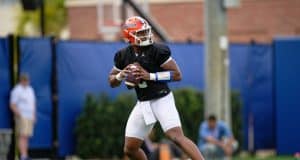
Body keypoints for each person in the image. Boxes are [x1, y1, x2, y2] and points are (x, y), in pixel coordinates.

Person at [108, 16, 205, 160]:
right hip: (142, 103)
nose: (145, 35)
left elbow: (177, 75)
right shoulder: (123, 55)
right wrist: (121, 75)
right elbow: (111, 81)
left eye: (145, 31)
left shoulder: (157, 50)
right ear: (130, 36)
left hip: (161, 98)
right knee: (130, 148)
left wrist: (150, 76)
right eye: (140, 33)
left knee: (176, 136)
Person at [10, 73, 36, 160]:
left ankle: (25, 155)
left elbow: (33, 104)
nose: (26, 82)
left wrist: (34, 115)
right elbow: (12, 105)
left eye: (27, 80)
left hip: (30, 117)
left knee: (26, 136)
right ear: (21, 80)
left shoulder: (30, 90)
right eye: (24, 80)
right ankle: (23, 156)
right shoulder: (16, 90)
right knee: (22, 136)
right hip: (22, 116)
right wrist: (19, 115)